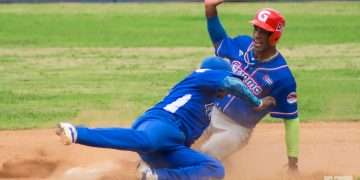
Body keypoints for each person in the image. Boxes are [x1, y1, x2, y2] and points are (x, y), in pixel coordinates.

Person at [56, 57, 276, 180]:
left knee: (214, 168)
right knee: (147, 140)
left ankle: (157, 177)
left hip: (171, 146)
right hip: (161, 123)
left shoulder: (207, 107)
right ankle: (76, 132)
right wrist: (257, 103)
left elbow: (189, 144)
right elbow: (232, 83)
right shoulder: (203, 76)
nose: (226, 91)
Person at [201, 0, 300, 171]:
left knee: (206, 154)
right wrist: (210, 10)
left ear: (275, 36)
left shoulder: (282, 77)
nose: (257, 35)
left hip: (236, 129)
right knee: (181, 141)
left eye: (264, 32)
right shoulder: (243, 44)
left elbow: (291, 120)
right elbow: (220, 41)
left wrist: (293, 163)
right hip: (212, 112)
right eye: (256, 29)